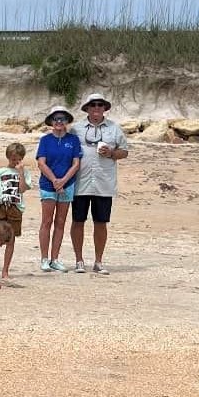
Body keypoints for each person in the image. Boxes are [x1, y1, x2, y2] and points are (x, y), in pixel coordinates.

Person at [70, 92, 129, 275]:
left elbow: (124, 151)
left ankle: (98, 261)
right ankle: (79, 260)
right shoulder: (76, 129)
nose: (97, 108)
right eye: (93, 104)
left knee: (100, 222)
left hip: (104, 183)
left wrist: (111, 153)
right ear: (87, 108)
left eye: (100, 105)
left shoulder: (114, 128)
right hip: (81, 182)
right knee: (78, 221)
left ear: (105, 108)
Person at [34, 106, 82, 273]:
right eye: (56, 119)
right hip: (48, 185)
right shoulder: (45, 140)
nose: (59, 121)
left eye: (62, 118)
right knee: (46, 221)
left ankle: (55, 258)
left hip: (67, 185)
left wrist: (63, 181)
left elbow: (76, 164)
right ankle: (44, 258)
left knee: (60, 222)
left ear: (67, 121)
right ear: (51, 122)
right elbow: (41, 163)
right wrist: (55, 180)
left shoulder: (73, 140)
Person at [0, 141, 30, 279]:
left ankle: (5, 270)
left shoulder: (24, 172)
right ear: (8, 157)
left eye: (18, 159)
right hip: (1, 207)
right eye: (13, 159)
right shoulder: (1, 172)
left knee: (11, 240)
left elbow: (23, 189)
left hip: (15, 208)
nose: (15, 161)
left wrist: (21, 173)